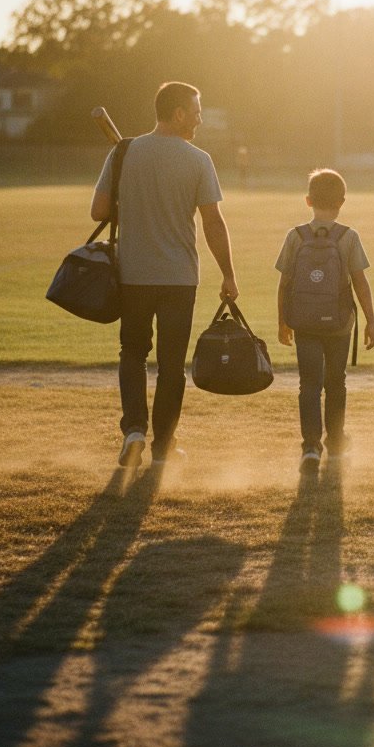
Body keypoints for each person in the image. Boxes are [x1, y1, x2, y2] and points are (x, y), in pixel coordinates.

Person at [91, 82, 239, 469]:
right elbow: (213, 223)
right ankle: (163, 447)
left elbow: (99, 210)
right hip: (178, 277)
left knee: (133, 354)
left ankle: (134, 431)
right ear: (178, 114)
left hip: (133, 275)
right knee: (171, 365)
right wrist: (228, 274)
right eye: (196, 111)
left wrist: (131, 201)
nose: (200, 118)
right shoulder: (198, 160)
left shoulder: (123, 153)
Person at [276, 168, 374, 472]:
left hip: (304, 323)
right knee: (336, 383)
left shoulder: (296, 236)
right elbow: (360, 283)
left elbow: (284, 284)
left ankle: (310, 448)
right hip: (339, 323)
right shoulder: (348, 236)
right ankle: (335, 443)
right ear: (342, 202)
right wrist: (370, 321)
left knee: (309, 384)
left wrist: (283, 322)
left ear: (308, 200)